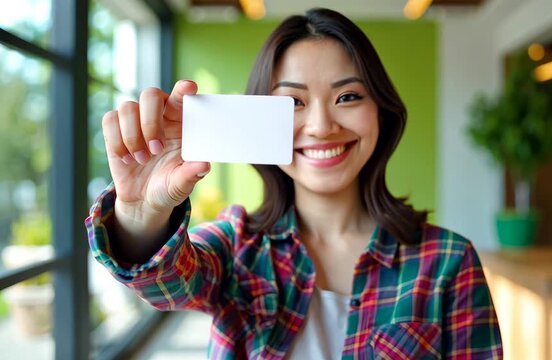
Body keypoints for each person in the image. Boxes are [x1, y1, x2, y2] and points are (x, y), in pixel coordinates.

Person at [86, 7, 503, 359]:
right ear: (256, 122)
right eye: (293, 103)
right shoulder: (236, 247)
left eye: (348, 96)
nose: (321, 127)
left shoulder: (449, 261)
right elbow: (165, 285)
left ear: (382, 112)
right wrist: (142, 212)